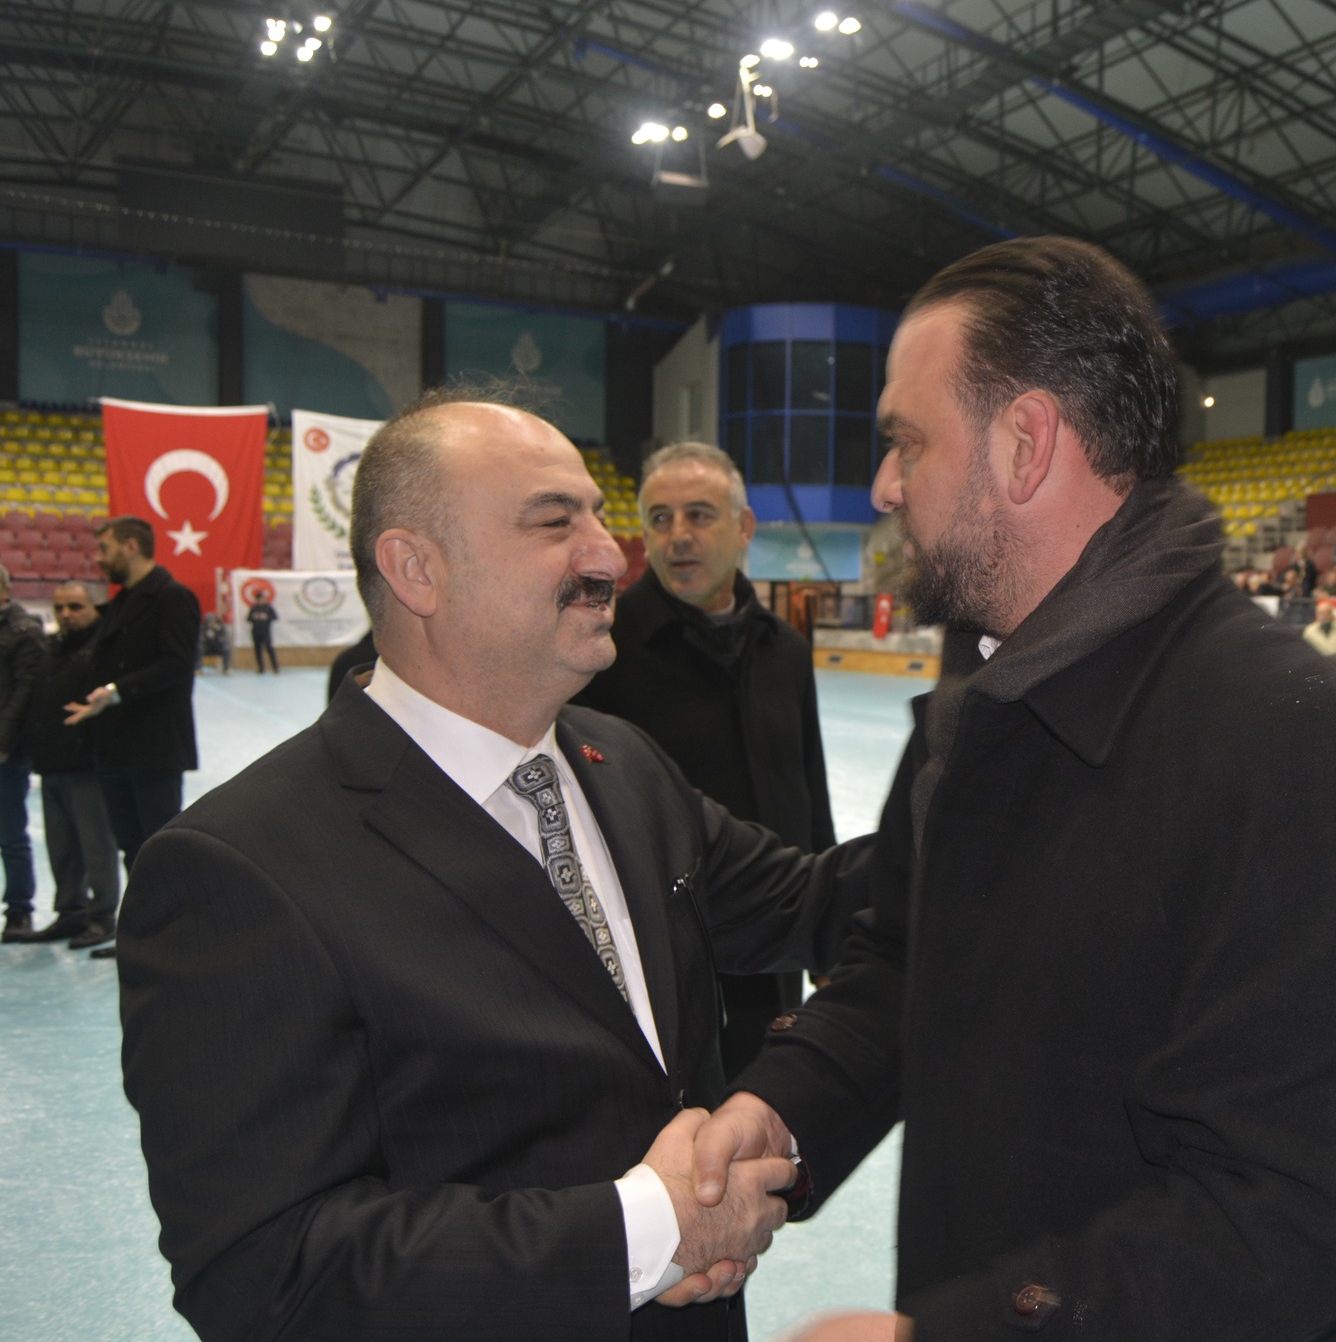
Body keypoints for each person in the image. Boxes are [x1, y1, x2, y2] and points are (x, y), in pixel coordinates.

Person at [687, 238, 1336, 1342]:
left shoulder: (1279, 739)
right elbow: (906, 960)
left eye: (906, 441)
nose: (884, 485)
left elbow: (1290, 1206)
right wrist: (780, 1113)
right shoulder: (980, 702)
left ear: (1025, 444)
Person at [118, 387, 874, 1342]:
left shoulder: (622, 763)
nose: (609, 555)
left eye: (598, 516)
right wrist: (646, 1228)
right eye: (555, 523)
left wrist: (1003, 760)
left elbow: (816, 900)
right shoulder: (238, 867)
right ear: (417, 569)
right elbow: (270, 1272)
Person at [576, 441, 838, 1077]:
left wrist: (830, 929)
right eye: (660, 519)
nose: (678, 536)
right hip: (662, 947)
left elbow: (809, 794)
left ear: (744, 527)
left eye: (699, 515)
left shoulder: (785, 650)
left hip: (775, 938)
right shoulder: (603, 652)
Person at [62, 516, 200, 959]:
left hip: (154, 747)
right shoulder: (120, 602)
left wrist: (116, 691)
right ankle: (143, 937)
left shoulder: (173, 597)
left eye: (104, 549)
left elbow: (177, 663)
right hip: (116, 747)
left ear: (130, 546)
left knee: (158, 849)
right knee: (130, 848)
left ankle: (175, 940)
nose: (99, 559)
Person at [14, 582, 122, 949]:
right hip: (51, 762)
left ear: (94, 608)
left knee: (96, 844)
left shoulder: (103, 649)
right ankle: (70, 912)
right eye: (60, 607)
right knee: (60, 846)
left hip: (87, 763)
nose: (66, 614)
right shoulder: (51, 646)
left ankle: (102, 915)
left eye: (75, 607)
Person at [0, 565, 49, 941]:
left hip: (8, 752)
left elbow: (25, 693)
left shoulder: (24, 630)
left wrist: (2, 742)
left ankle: (20, 909)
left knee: (10, 832)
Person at [246, 591, 280, 674]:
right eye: (259, 599)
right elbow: (248, 619)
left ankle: (275, 667)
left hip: (265, 631)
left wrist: (266, 617)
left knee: (269, 648)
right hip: (256, 631)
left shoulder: (268, 607)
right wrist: (255, 617)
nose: (260, 601)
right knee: (258, 650)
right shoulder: (254, 608)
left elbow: (275, 617)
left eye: (262, 599)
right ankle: (261, 668)